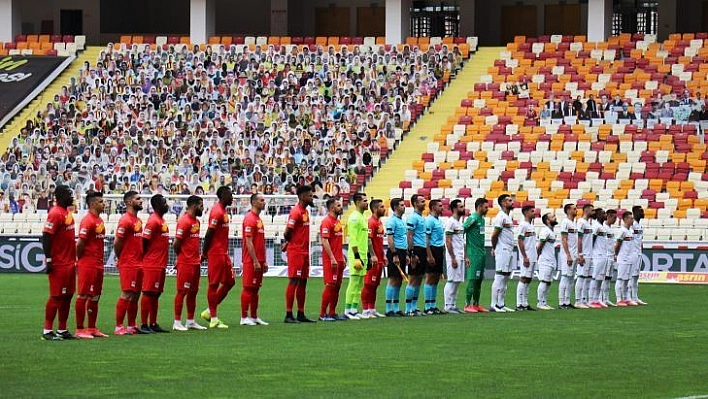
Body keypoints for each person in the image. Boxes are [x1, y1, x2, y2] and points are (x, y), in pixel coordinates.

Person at [41, 185, 77, 341]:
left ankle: (62, 329)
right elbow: (46, 236)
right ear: (60, 196)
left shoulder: (67, 213)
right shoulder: (55, 213)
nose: (72, 196)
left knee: (68, 296)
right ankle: (47, 330)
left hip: (70, 262)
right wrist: (49, 259)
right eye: (69, 194)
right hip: (59, 263)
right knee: (56, 296)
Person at [200, 186, 235, 329]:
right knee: (213, 284)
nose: (232, 197)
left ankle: (209, 311)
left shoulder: (224, 211)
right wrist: (204, 253)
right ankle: (214, 318)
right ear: (223, 195)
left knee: (230, 282)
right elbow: (209, 233)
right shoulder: (217, 211)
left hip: (223, 252)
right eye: (230, 194)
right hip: (215, 253)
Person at [114, 191, 149, 335]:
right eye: (138, 199)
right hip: (128, 262)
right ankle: (118, 326)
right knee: (127, 293)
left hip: (138, 263)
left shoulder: (138, 221)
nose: (141, 201)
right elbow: (117, 242)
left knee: (135, 294)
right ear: (129, 202)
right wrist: (120, 257)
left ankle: (131, 326)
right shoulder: (125, 220)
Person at [75, 191, 108, 339]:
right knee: (83, 295)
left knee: (95, 296)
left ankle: (92, 327)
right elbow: (80, 243)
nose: (104, 204)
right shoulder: (87, 220)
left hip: (98, 264)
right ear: (93, 204)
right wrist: (83, 259)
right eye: (101, 202)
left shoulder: (99, 220)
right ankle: (79, 329)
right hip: (88, 263)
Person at [282, 185, 316, 323]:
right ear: (302, 196)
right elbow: (287, 231)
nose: (311, 197)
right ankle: (288, 314)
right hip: (296, 252)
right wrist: (289, 243)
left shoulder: (305, 212)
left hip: (304, 251)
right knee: (294, 281)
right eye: (309, 195)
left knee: (303, 282)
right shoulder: (295, 212)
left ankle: (301, 313)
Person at [172, 195, 207, 331]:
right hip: (185, 263)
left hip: (195, 263)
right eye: (201, 205)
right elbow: (176, 243)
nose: (202, 208)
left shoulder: (196, 222)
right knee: (182, 291)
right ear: (194, 206)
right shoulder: (184, 221)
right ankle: (176, 322)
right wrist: (181, 257)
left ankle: (190, 321)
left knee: (193, 292)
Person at [140, 194, 171, 333]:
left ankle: (153, 323)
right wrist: (147, 257)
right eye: (164, 202)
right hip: (152, 263)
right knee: (148, 293)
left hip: (160, 263)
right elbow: (144, 241)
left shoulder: (161, 220)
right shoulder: (153, 221)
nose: (166, 204)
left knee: (156, 293)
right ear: (158, 205)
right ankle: (144, 324)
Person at [241, 193, 269, 326]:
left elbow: (259, 242)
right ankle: (243, 317)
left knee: (256, 288)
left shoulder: (258, 219)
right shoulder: (249, 218)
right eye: (261, 200)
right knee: (248, 288)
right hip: (251, 260)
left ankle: (253, 316)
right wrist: (255, 260)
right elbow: (249, 241)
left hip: (259, 259)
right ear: (253, 202)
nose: (264, 202)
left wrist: (264, 260)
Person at [345, 192, 372, 319]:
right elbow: (353, 239)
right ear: (357, 203)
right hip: (356, 255)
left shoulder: (363, 217)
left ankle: (354, 309)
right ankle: (347, 310)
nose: (367, 203)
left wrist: (368, 255)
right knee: (354, 282)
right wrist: (356, 256)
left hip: (363, 254)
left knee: (360, 284)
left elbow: (364, 239)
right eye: (364, 201)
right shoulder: (354, 217)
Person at [319, 197, 345, 321]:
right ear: (332, 207)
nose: (341, 207)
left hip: (339, 259)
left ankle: (332, 313)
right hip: (331, 260)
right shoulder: (327, 221)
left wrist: (341, 259)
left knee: (337, 286)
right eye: (338, 205)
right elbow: (324, 240)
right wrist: (332, 258)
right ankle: (322, 314)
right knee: (330, 285)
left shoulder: (338, 222)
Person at [463, 198, 490, 313]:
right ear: (479, 207)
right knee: (472, 279)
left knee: (479, 280)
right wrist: (466, 255)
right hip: (472, 254)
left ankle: (476, 304)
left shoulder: (482, 220)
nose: (487, 209)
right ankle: (467, 305)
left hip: (481, 254)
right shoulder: (472, 219)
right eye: (485, 207)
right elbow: (460, 233)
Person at [490, 194, 515, 313]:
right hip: (502, 249)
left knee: (505, 277)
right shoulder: (500, 217)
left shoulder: (508, 217)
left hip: (509, 250)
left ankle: (501, 303)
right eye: (509, 200)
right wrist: (495, 248)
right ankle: (493, 304)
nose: (512, 202)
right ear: (503, 203)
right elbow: (495, 235)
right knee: (499, 276)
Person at [362, 198, 387, 318]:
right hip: (373, 259)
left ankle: (372, 309)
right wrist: (372, 255)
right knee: (368, 284)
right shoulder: (371, 222)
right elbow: (368, 240)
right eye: (382, 207)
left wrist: (383, 255)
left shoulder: (380, 222)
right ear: (375, 209)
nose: (384, 209)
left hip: (380, 258)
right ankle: (365, 309)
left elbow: (379, 241)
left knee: (375, 285)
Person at [384, 198, 408, 317]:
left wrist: (407, 254)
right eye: (402, 205)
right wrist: (394, 254)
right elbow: (390, 239)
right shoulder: (392, 221)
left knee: (399, 280)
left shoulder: (402, 221)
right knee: (393, 279)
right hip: (395, 252)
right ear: (395, 207)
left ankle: (396, 307)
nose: (404, 207)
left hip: (403, 251)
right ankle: (389, 309)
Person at [406, 194, 427, 316]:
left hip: (422, 249)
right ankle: (408, 308)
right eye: (422, 201)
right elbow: (410, 235)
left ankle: (414, 306)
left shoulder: (421, 218)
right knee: (413, 279)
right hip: (416, 249)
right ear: (415, 203)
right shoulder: (413, 218)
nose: (424, 203)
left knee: (419, 279)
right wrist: (412, 253)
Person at [443, 199, 465, 314]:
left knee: (457, 281)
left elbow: (462, 241)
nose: (463, 209)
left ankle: (453, 304)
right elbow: (448, 241)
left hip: (460, 255)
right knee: (451, 280)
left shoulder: (460, 223)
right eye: (461, 207)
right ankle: (447, 305)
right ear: (455, 209)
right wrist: (452, 257)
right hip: (454, 256)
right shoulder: (450, 222)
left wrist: (465, 256)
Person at [423, 199, 445, 315]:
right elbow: (426, 239)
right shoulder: (430, 221)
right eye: (440, 206)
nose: (442, 208)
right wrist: (429, 255)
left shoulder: (438, 220)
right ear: (433, 208)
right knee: (430, 277)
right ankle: (427, 306)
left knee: (436, 278)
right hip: (432, 249)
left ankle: (433, 304)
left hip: (439, 249)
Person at [515, 205, 537, 311]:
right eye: (532, 211)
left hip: (532, 256)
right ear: (526, 212)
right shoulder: (523, 225)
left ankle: (525, 302)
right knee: (523, 278)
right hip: (527, 256)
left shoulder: (531, 225)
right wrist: (524, 256)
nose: (534, 213)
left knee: (528, 279)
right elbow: (520, 241)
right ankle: (519, 303)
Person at [558, 203, 579, 309]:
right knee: (565, 277)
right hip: (568, 254)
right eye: (574, 209)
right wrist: (568, 255)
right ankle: (562, 302)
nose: (576, 210)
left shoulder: (574, 223)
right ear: (568, 210)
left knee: (571, 278)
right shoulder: (565, 223)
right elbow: (564, 239)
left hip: (574, 254)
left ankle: (567, 300)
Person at [536, 213, 558, 310]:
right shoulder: (545, 231)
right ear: (548, 220)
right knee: (544, 281)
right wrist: (539, 256)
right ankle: (540, 302)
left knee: (548, 282)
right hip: (545, 260)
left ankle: (544, 302)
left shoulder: (552, 231)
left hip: (551, 259)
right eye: (553, 217)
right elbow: (539, 246)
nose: (555, 218)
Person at [575, 203, 595, 309]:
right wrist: (580, 254)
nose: (594, 212)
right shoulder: (581, 222)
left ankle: (584, 299)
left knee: (588, 278)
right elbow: (579, 239)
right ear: (586, 211)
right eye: (592, 210)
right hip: (584, 254)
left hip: (590, 254)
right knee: (581, 277)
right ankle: (578, 301)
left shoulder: (588, 223)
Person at [615, 211, 636, 307]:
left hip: (630, 258)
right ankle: (619, 299)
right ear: (625, 219)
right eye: (631, 218)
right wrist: (616, 255)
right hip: (623, 258)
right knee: (620, 279)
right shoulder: (622, 231)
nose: (632, 220)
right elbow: (617, 244)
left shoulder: (630, 231)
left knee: (627, 279)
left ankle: (626, 298)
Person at [588, 208, 608, 309]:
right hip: (597, 256)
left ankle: (597, 299)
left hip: (603, 255)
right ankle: (591, 299)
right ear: (598, 215)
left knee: (600, 278)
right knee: (595, 278)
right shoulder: (595, 226)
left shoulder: (602, 226)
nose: (605, 215)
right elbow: (591, 241)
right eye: (603, 213)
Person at [630, 206, 648, 305]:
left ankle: (635, 297)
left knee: (636, 276)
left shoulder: (640, 226)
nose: (643, 212)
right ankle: (628, 297)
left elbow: (640, 240)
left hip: (638, 253)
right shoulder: (632, 225)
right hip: (632, 254)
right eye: (641, 211)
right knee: (631, 276)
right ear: (635, 212)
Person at [602, 210, 618, 306]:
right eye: (614, 217)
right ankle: (602, 298)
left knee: (608, 278)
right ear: (609, 216)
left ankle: (606, 298)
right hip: (606, 256)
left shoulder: (610, 229)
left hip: (611, 256)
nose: (615, 220)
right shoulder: (604, 228)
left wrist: (614, 254)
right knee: (604, 277)